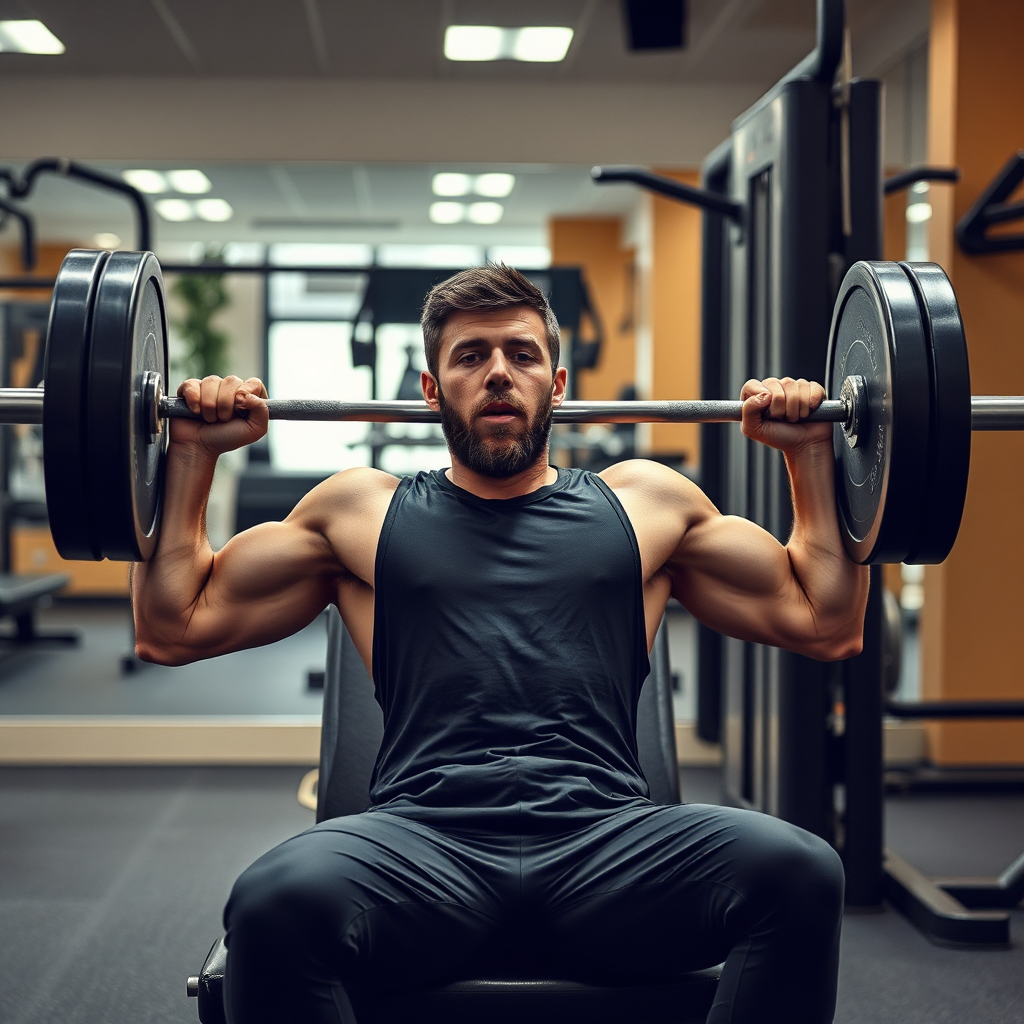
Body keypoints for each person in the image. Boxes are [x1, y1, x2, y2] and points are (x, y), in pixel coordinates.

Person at [133, 264, 868, 1024]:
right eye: (470, 356)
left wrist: (812, 454)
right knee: (270, 902)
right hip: (423, 849)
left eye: (521, 355)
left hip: (608, 846)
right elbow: (171, 625)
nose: (497, 374)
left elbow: (827, 621)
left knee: (802, 873)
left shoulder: (645, 505)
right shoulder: (360, 512)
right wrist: (188, 455)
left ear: (558, 384)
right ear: (431, 389)